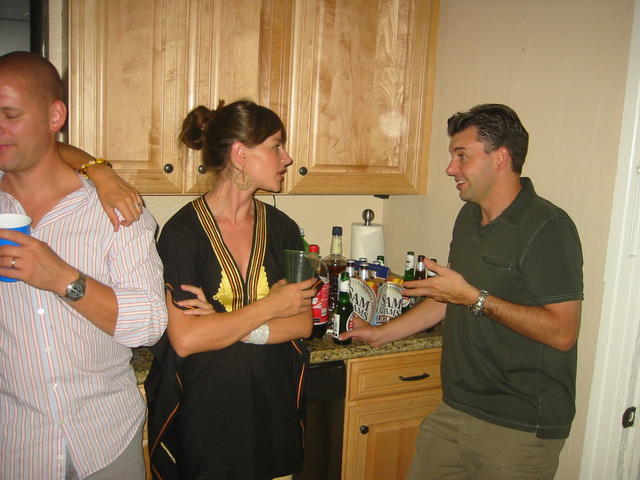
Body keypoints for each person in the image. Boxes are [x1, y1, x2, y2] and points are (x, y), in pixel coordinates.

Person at [341, 104, 583, 479]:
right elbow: (449, 297)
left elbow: (563, 332)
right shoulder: (469, 216)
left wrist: (475, 298)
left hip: (518, 426)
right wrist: (381, 334)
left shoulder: (548, 227)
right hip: (456, 408)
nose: (450, 168)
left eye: (462, 156)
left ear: (500, 158)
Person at [0, 51, 167, 479]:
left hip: (105, 439)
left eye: (10, 114)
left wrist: (62, 278)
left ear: (55, 116)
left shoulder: (115, 210)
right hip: (16, 444)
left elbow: (149, 324)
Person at [145, 100, 315, 480]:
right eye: (276, 146)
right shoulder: (182, 234)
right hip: (208, 421)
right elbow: (187, 339)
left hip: (275, 412)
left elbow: (302, 324)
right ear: (240, 154)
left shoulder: (284, 229)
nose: (287, 158)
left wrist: (225, 325)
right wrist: (273, 305)